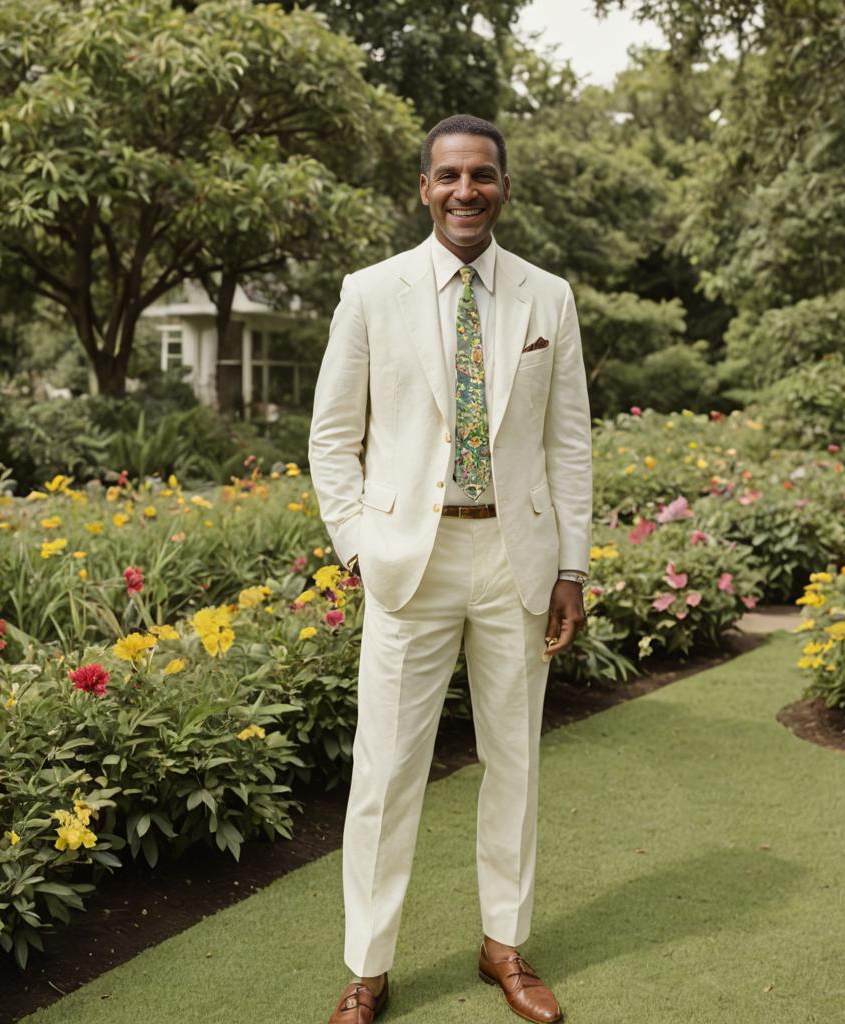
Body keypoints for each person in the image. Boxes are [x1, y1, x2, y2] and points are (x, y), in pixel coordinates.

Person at [308, 113, 592, 1024]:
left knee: (514, 763)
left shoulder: (548, 298)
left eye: (483, 175)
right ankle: (368, 966)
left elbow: (571, 445)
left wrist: (572, 569)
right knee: (386, 772)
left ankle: (503, 945)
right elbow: (330, 439)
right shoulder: (370, 292)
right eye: (449, 177)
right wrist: (356, 544)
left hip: (517, 556)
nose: (466, 191)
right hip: (407, 565)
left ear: (504, 186)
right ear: (423, 188)